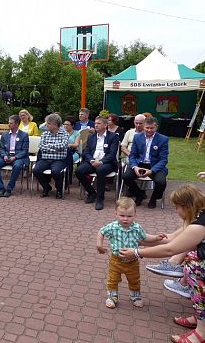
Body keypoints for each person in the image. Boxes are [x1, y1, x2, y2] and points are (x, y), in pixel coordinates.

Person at [120, 185, 205, 343]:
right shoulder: (199, 215)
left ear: (187, 206)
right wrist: (140, 239)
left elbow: (169, 249)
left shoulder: (198, 226)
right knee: (192, 260)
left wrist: (137, 252)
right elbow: (170, 239)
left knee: (195, 266)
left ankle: (202, 332)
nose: (176, 211)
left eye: (177, 207)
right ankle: (199, 315)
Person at [97, 197, 166, 309]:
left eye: (129, 216)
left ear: (135, 215)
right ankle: (112, 296)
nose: (125, 219)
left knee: (134, 279)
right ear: (116, 214)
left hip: (132, 261)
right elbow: (101, 232)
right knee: (112, 279)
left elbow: (145, 236)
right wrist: (99, 245)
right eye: (122, 215)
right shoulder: (112, 227)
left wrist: (156, 238)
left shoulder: (137, 228)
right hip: (116, 260)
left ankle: (135, 296)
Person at [122, 117, 169, 209]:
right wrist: (135, 167)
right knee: (126, 176)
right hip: (139, 164)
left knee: (161, 182)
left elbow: (163, 159)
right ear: (144, 127)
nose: (149, 130)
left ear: (156, 127)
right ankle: (139, 194)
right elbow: (132, 155)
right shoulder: (137, 137)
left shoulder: (163, 139)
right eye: (147, 128)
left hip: (155, 165)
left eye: (152, 128)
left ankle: (154, 198)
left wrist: (152, 171)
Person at [75, 116, 120, 210]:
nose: (96, 125)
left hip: (107, 162)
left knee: (100, 170)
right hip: (93, 161)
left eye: (98, 123)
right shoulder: (91, 137)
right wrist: (91, 160)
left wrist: (101, 162)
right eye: (95, 123)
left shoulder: (113, 136)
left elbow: (112, 154)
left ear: (105, 125)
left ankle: (100, 199)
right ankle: (92, 193)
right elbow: (86, 152)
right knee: (79, 171)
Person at [0, 115, 30, 198]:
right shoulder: (5, 134)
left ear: (17, 124)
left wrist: (15, 157)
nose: (8, 125)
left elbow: (25, 151)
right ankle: (1, 188)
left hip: (18, 157)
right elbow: (1, 148)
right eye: (8, 123)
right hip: (6, 155)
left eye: (11, 123)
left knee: (17, 166)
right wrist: (4, 155)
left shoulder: (24, 135)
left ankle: (9, 188)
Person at [33, 114, 69, 199]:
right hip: (45, 159)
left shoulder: (65, 134)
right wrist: (55, 148)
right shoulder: (45, 134)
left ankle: (59, 189)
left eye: (48, 123)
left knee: (55, 171)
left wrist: (49, 146)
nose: (46, 125)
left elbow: (63, 146)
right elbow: (41, 146)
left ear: (55, 125)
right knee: (36, 170)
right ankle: (46, 187)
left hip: (59, 159)